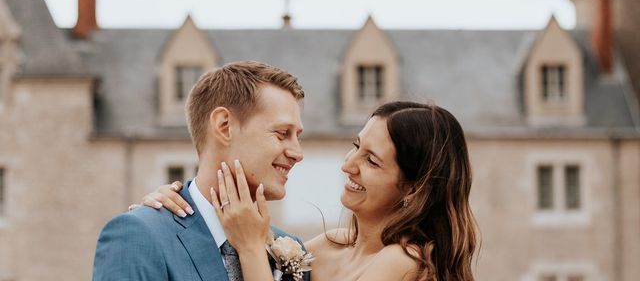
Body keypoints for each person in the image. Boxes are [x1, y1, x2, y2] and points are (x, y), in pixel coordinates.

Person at [143, 101, 478, 281]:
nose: (348, 165)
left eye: (372, 161)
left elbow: (249, 248)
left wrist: (249, 248)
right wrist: (174, 204)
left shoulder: (403, 261)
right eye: (356, 146)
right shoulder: (326, 247)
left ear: (413, 188)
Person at [92, 61, 309, 281]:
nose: (297, 153)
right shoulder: (139, 237)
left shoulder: (293, 250)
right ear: (224, 126)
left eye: (297, 137)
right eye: (282, 133)